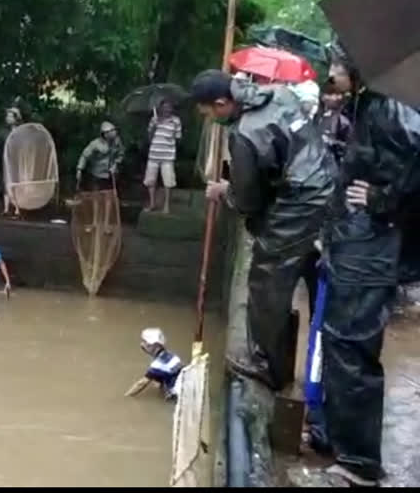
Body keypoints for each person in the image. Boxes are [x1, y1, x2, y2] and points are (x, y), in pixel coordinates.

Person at [190, 69, 335, 391]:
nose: (211, 120)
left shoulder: (244, 134)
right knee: (321, 289)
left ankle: (270, 366)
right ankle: (321, 379)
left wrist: (223, 191)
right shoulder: (279, 94)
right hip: (328, 184)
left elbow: (247, 201)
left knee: (267, 282)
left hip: (300, 203)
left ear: (221, 102)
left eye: (210, 114)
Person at [315, 40, 420, 487]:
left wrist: (383, 199)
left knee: (352, 347)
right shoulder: (369, 104)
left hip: (370, 249)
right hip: (356, 246)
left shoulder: (390, 108)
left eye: (335, 65)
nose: (330, 75)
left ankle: (358, 463)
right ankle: (342, 445)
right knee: (342, 345)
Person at [124, 327, 183, 401]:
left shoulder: (157, 365)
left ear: (155, 346)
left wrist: (126, 396)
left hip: (176, 395)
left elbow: (141, 383)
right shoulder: (172, 356)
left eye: (145, 342)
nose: (142, 344)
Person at [145, 100, 182, 214]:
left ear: (172, 108)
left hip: (168, 156)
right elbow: (149, 138)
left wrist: (170, 140)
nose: (167, 109)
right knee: (150, 181)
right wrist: (154, 127)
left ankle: (166, 206)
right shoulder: (154, 119)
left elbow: (178, 138)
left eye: (169, 107)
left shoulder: (176, 120)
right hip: (153, 155)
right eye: (164, 107)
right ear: (160, 108)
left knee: (168, 182)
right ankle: (152, 204)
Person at [76, 121, 124, 192]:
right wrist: (79, 169)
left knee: (111, 195)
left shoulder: (117, 141)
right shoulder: (95, 144)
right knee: (97, 195)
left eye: (114, 130)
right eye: (111, 131)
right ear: (105, 134)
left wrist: (116, 164)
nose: (114, 133)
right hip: (97, 175)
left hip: (112, 175)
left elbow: (121, 154)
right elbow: (84, 156)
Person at [0, 107, 23, 218]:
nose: (8, 118)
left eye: (10, 116)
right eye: (7, 116)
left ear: (16, 118)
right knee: (5, 183)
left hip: (17, 162)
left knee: (16, 184)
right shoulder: (2, 132)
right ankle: (6, 209)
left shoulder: (21, 131)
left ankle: (17, 209)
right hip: (5, 162)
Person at [317, 80, 351, 165]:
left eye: (340, 93)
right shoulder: (317, 116)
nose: (338, 97)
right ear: (323, 96)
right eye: (332, 94)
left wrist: (332, 142)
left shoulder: (344, 119)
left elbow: (352, 146)